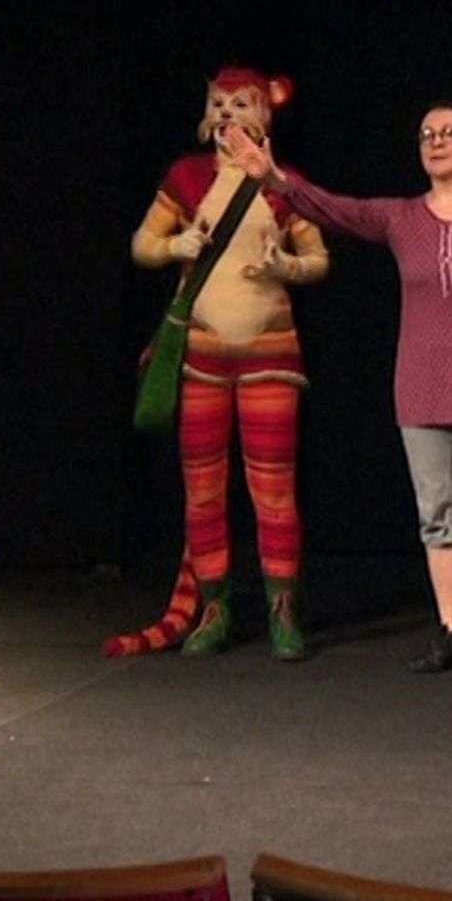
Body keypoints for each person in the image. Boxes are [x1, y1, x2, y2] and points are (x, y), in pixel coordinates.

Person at [224, 101, 452, 675]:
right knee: (438, 510)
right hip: (421, 381)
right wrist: (273, 178)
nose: (436, 142)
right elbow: (334, 209)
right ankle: (450, 629)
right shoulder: (400, 218)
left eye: (449, 133)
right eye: (426, 135)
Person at [103, 66, 331, 661]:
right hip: (202, 355)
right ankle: (214, 608)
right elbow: (142, 244)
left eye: (240, 104)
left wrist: (285, 266)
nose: (227, 114)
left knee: (273, 489)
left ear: (264, 114)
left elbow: (319, 259)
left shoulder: (283, 184)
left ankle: (283, 609)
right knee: (203, 490)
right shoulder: (188, 177)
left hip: (269, 355)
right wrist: (174, 246)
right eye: (219, 103)